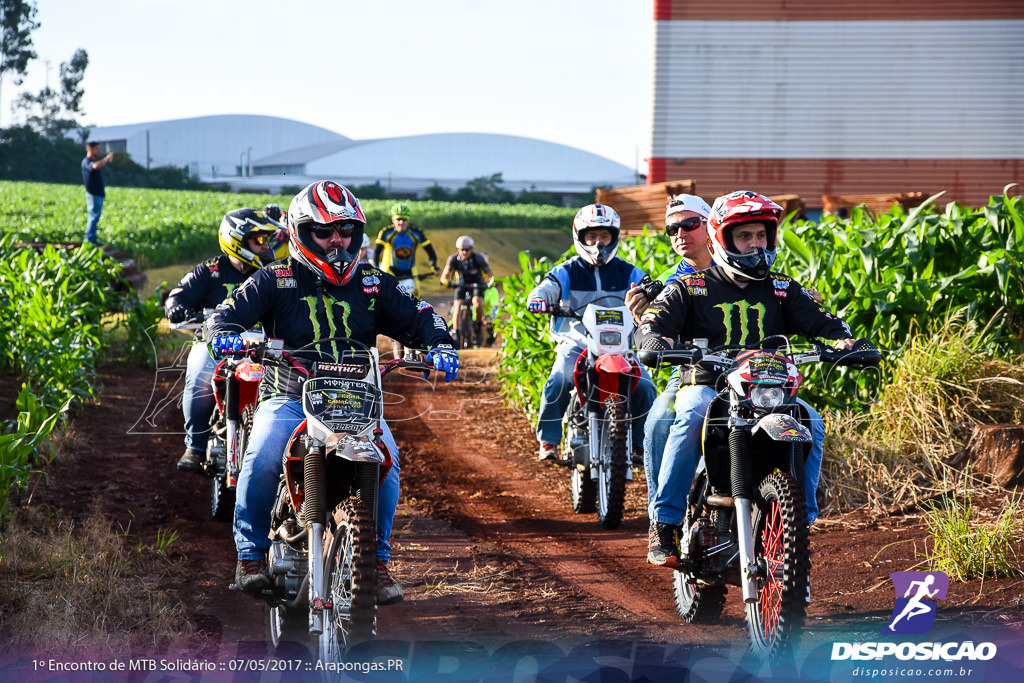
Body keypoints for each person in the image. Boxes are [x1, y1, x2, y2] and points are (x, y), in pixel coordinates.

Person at [205, 181, 459, 605]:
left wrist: (441, 346)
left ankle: (374, 562)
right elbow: (226, 314)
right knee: (265, 451)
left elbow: (421, 316)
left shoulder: (375, 282)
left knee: (388, 464)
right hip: (288, 394)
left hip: (355, 401)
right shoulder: (275, 278)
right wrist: (225, 335)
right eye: (324, 232)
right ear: (301, 232)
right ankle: (250, 554)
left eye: (344, 229)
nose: (336, 240)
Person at [634, 190, 859, 569]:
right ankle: (665, 523)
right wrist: (653, 339)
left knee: (812, 422)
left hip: (766, 392)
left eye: (761, 236)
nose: (755, 244)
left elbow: (827, 324)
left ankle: (797, 527)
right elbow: (651, 325)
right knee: (690, 416)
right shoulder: (689, 287)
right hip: (708, 385)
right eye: (744, 237)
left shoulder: (783, 288)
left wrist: (847, 343)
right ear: (723, 238)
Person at [527, 203, 657, 462]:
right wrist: (538, 299)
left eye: (605, 236)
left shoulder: (630, 272)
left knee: (644, 386)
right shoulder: (566, 271)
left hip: (620, 345)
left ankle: (640, 446)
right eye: (592, 236)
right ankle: (549, 439)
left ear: (615, 237)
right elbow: (544, 288)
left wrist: (657, 299)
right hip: (576, 344)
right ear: (580, 238)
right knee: (560, 377)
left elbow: (650, 288)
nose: (599, 243)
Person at [165, 208, 280, 474]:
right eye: (258, 241)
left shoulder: (273, 273)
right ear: (236, 240)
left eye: (267, 240)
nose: (265, 247)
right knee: (200, 374)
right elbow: (177, 296)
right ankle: (194, 447)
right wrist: (177, 308)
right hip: (214, 344)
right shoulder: (211, 270)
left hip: (260, 342)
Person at [373, 202, 440, 356]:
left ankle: (411, 338)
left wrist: (434, 266)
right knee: (387, 304)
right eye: (398, 219)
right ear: (392, 219)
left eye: (404, 219)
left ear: (409, 220)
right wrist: (375, 269)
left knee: (413, 304)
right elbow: (377, 252)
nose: (401, 222)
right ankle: (391, 332)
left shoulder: (416, 233)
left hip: (409, 273)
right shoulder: (386, 232)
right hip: (390, 273)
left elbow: (430, 251)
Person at [439, 235, 494, 345]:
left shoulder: (478, 258)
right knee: (457, 305)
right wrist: (446, 282)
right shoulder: (453, 259)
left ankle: (478, 324)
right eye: (462, 249)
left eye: (467, 249)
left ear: (471, 249)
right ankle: (456, 332)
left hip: (477, 285)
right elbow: (445, 275)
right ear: (457, 249)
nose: (464, 252)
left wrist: (490, 282)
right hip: (461, 285)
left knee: (477, 302)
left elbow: (490, 275)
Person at [82, 142, 115, 245]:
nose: (99, 151)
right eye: (96, 149)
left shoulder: (91, 162)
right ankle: (89, 239)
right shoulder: (87, 162)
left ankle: (92, 239)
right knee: (93, 216)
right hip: (93, 194)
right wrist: (106, 159)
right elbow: (95, 166)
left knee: (95, 216)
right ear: (90, 149)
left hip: (98, 194)